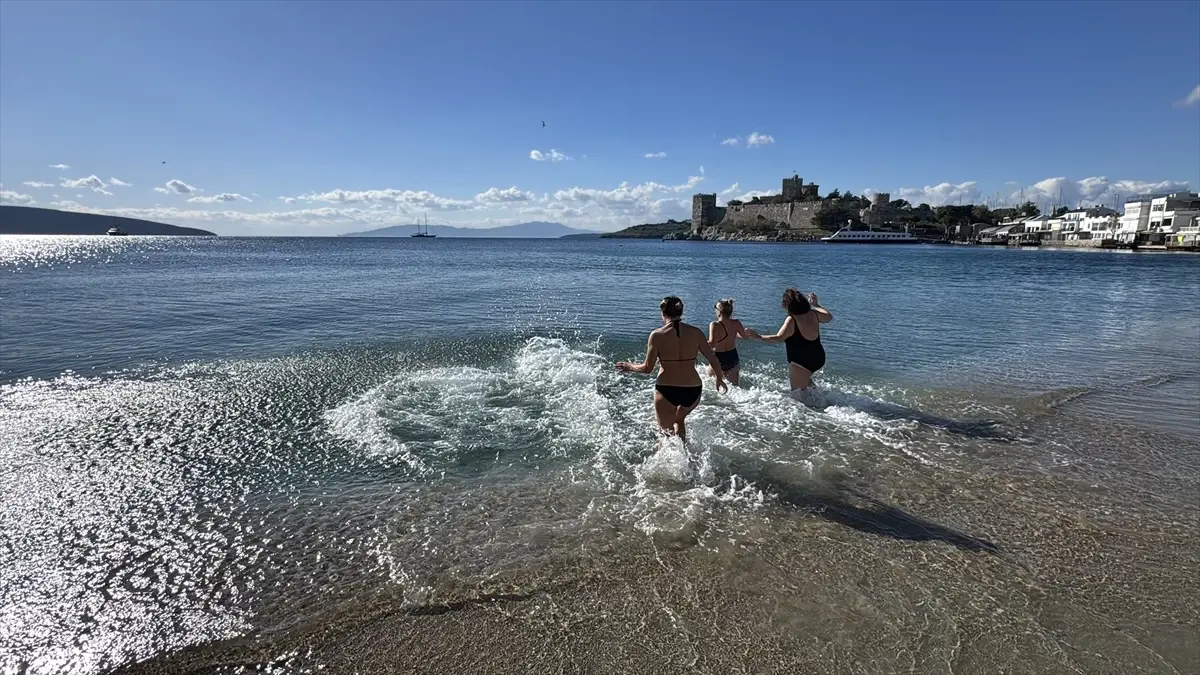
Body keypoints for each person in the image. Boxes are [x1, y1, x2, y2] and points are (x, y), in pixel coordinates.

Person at [616, 296, 727, 442]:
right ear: (681, 312)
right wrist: (719, 379)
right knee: (679, 419)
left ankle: (669, 462)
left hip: (666, 389)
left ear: (663, 313)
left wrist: (629, 366)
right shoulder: (696, 333)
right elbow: (713, 359)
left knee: (665, 435)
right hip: (692, 390)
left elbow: (647, 368)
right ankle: (686, 454)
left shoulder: (657, 335)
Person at [746, 289, 832, 391]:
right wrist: (816, 305)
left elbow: (778, 338)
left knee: (798, 396)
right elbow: (829, 317)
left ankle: (824, 405)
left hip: (801, 362)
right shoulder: (813, 314)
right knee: (806, 382)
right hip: (818, 357)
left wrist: (757, 336)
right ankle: (822, 397)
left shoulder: (792, 320)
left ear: (787, 306)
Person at [707, 298, 749, 386]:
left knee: (710, 382)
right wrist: (733, 334)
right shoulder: (736, 323)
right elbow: (744, 336)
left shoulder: (714, 324)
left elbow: (712, 343)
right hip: (733, 356)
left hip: (718, 357)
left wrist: (698, 344)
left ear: (719, 311)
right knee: (735, 387)